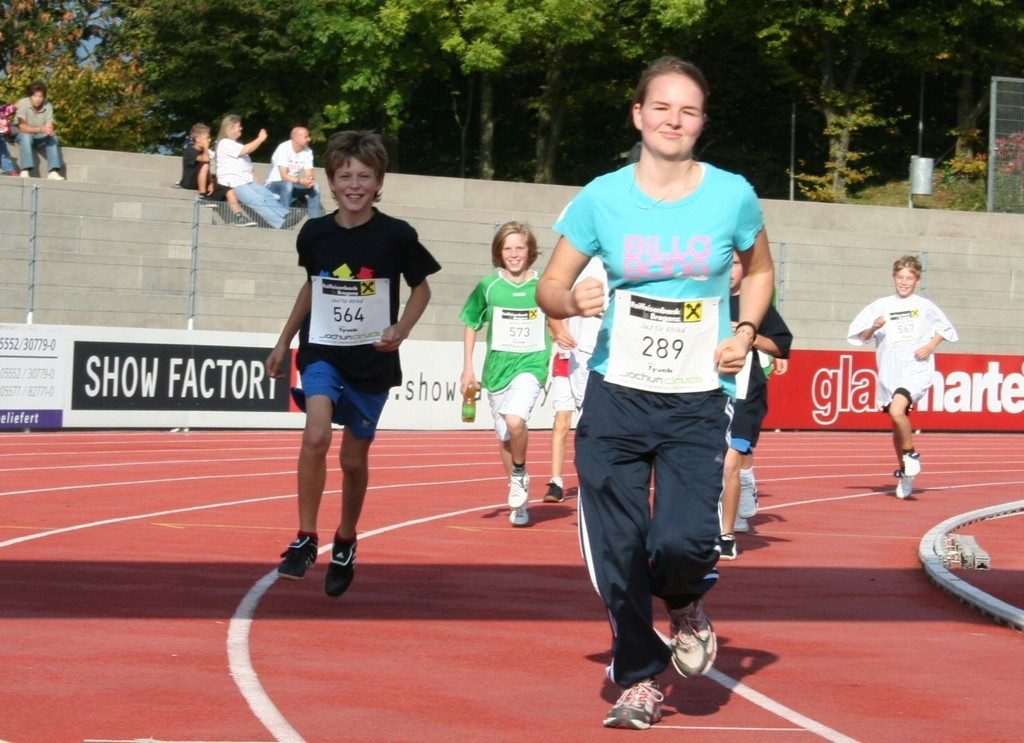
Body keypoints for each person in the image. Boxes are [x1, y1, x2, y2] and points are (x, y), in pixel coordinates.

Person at [536, 56, 775, 730]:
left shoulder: (732, 195)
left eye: (688, 110)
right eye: (662, 107)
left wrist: (746, 329)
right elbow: (549, 285)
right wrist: (571, 299)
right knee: (617, 548)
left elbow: (759, 271)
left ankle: (686, 599)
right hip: (617, 393)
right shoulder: (601, 197)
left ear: (702, 122)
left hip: (697, 394)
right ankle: (640, 677)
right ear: (638, 115)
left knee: (681, 541)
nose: (674, 120)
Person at [266, 130, 440, 598]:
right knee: (316, 435)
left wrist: (401, 329)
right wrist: (284, 341)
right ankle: (306, 538)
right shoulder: (314, 233)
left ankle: (345, 539)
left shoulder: (397, 235)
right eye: (345, 176)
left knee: (352, 460)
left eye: (364, 176)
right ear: (331, 181)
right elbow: (312, 287)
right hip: (322, 350)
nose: (355, 185)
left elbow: (422, 289)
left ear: (379, 182)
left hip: (372, 359)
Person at [460, 221, 551, 527]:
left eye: (519, 248)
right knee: (505, 437)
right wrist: (468, 368)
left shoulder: (543, 285)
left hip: (532, 364)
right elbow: (471, 322)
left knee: (515, 420)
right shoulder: (489, 287)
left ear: (530, 251)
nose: (514, 254)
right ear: (499, 253)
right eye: (508, 248)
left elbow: (558, 313)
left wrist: (563, 334)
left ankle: (520, 473)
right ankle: (519, 495)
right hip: (497, 370)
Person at [847, 254, 958, 499]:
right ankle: (906, 471)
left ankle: (911, 454)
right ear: (894, 278)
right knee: (897, 422)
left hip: (916, 368)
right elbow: (859, 337)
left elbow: (946, 329)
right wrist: (873, 327)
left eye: (909, 278)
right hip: (889, 371)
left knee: (898, 411)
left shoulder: (924, 306)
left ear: (918, 281)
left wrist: (930, 346)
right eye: (900, 277)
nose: (904, 282)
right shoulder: (881, 305)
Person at [719, 255, 792, 560]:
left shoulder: (756, 305)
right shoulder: (707, 300)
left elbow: (781, 346)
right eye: (726, 262)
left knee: (730, 462)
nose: (730, 269)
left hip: (746, 394)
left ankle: (726, 535)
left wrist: (748, 335)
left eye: (736, 263)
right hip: (707, 393)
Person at [544, 256, 606, 503]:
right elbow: (551, 307)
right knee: (562, 419)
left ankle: (589, 477)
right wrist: (558, 330)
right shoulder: (573, 263)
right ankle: (556, 482)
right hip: (566, 354)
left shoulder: (611, 266)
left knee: (588, 421)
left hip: (592, 356)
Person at [214, 114, 290, 229]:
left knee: (266, 195)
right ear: (230, 127)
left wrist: (257, 179)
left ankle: (286, 215)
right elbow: (245, 150)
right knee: (257, 200)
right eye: (239, 126)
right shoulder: (224, 143)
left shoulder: (236, 144)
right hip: (234, 182)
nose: (241, 128)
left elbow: (247, 165)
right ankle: (280, 223)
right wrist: (260, 139)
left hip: (247, 179)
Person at [179, 123, 252, 226]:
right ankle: (202, 196)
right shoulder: (190, 150)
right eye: (207, 138)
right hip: (190, 182)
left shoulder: (208, 152)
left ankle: (239, 216)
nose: (209, 140)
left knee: (228, 188)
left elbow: (214, 169)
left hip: (205, 182)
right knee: (205, 165)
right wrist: (205, 147)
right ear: (198, 139)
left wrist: (212, 182)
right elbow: (205, 159)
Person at [265, 126, 325, 219]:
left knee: (315, 186)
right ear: (296, 139)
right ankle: (283, 216)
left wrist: (309, 180)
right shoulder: (284, 148)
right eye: (306, 137)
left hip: (293, 184)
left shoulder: (308, 151)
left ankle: (316, 220)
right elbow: (284, 176)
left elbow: (309, 172)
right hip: (274, 185)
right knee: (287, 184)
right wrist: (301, 181)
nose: (309, 139)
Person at [14, 82, 65, 180]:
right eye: (35, 96)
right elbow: (22, 127)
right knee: (26, 136)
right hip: (23, 134)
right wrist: (41, 129)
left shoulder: (47, 105)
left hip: (39, 136)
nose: (38, 99)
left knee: (53, 137)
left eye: (40, 96)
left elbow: (49, 124)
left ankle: (53, 171)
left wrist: (49, 130)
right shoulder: (23, 103)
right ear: (30, 96)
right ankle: (25, 170)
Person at [1, 103, 19, 175]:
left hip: (1, 136)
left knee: (4, 154)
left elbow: (7, 109)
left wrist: (14, 107)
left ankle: (10, 170)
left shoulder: (2, 110)